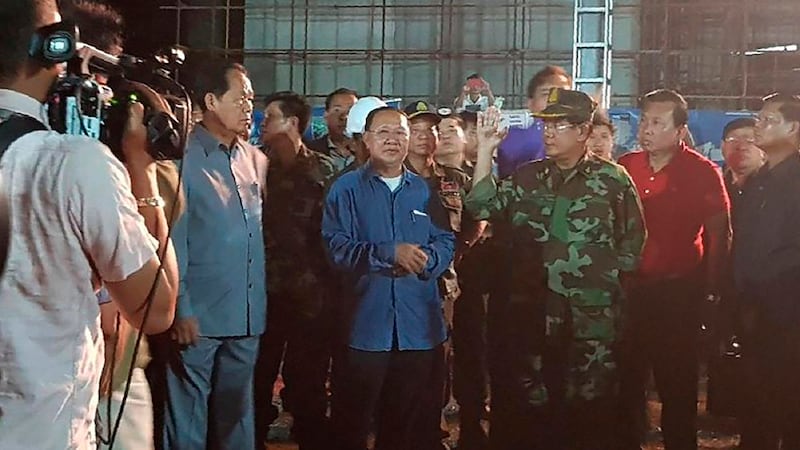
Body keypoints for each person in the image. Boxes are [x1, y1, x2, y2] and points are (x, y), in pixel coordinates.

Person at [0, 0, 179, 448]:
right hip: (42, 428)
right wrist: (139, 167)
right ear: (52, 48)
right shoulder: (69, 163)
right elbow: (156, 309)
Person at [464, 91, 646, 450]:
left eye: (559, 125)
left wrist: (606, 289)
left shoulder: (613, 180)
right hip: (533, 313)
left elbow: (633, 242)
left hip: (590, 316)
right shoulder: (528, 178)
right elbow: (482, 205)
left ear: (582, 131)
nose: (548, 133)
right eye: (546, 124)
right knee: (534, 405)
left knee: (592, 406)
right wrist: (485, 150)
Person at [322, 106, 455, 450]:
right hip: (365, 327)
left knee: (403, 427)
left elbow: (445, 239)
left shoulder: (425, 191)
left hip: (418, 330)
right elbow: (336, 248)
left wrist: (429, 260)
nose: (392, 140)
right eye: (382, 132)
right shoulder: (345, 189)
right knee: (351, 423)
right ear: (366, 140)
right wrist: (388, 252)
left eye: (399, 132)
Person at [618, 89, 731, 450]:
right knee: (626, 381)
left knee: (677, 386)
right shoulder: (627, 166)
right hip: (629, 293)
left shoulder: (702, 172)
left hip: (678, 295)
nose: (646, 129)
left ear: (680, 130)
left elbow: (719, 233)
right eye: (645, 120)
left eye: (657, 123)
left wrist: (712, 292)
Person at [163, 59, 267, 450]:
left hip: (246, 313)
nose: (248, 108)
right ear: (209, 101)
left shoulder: (253, 159)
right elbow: (172, 240)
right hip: (199, 317)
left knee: (238, 419)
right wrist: (181, 307)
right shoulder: (182, 160)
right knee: (188, 421)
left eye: (251, 99)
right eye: (240, 98)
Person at [254, 91, 336, 450]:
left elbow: (336, 235)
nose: (263, 123)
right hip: (262, 295)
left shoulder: (324, 169)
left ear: (292, 123)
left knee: (308, 386)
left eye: (270, 116)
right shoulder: (252, 166)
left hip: (310, 299)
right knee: (256, 383)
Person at [734, 94, 800, 449]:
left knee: (787, 397)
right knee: (755, 394)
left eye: (768, 120)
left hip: (788, 309)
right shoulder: (759, 179)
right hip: (754, 306)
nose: (758, 125)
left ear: (794, 128)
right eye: (758, 118)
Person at [496, 65, 572, 178]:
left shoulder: (587, 136)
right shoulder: (507, 139)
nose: (554, 100)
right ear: (530, 103)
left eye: (563, 94)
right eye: (546, 93)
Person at [307, 87, 358, 171]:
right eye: (337, 110)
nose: (344, 117)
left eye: (351, 110)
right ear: (325, 115)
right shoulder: (311, 151)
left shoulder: (371, 151)